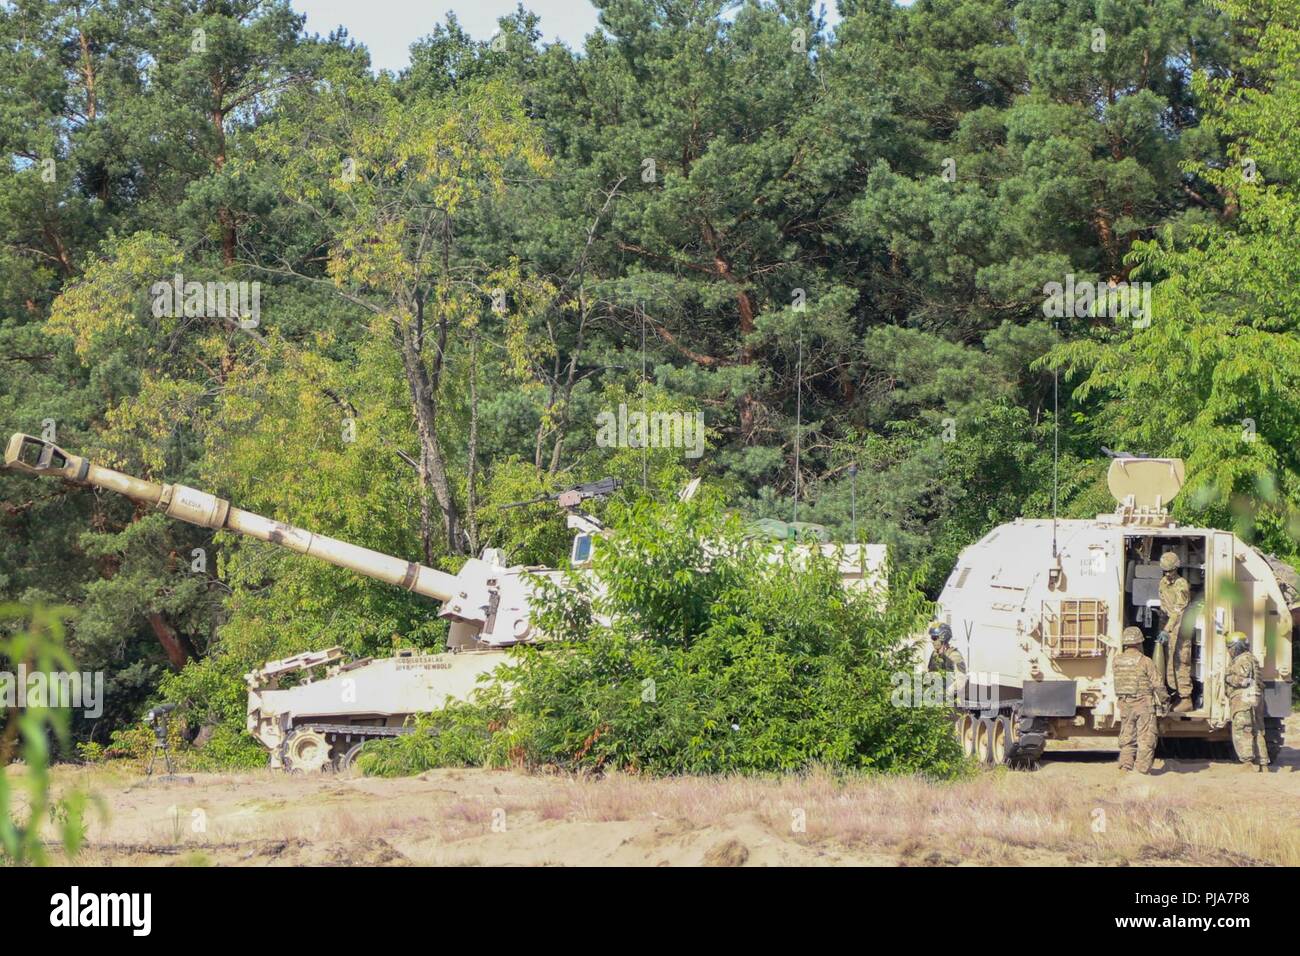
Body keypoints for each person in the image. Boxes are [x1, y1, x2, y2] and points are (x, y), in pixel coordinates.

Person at [1113, 625, 1169, 773]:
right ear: (1139, 643)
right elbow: (1158, 684)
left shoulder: (1116, 661)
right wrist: (1165, 701)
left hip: (1125, 704)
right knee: (1146, 738)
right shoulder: (1146, 661)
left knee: (1127, 736)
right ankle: (1142, 770)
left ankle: (1126, 766)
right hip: (1144, 705)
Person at [1224, 631, 1268, 771]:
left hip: (1244, 700)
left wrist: (1227, 678)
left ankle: (1248, 764)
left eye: (1230, 647)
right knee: (1257, 731)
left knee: (1243, 730)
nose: (1229, 651)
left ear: (1236, 647)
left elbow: (1243, 680)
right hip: (1254, 698)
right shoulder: (1251, 658)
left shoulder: (1243, 660)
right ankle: (1263, 763)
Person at [1157, 551, 1193, 711]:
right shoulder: (1163, 583)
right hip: (1167, 625)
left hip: (1180, 626)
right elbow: (1164, 605)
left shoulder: (1181, 584)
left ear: (1176, 569)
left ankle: (1186, 698)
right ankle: (1172, 693)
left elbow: (1178, 610)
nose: (1167, 574)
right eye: (1165, 571)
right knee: (1168, 660)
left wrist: (1167, 629)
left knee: (1181, 661)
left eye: (1170, 571)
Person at [926, 620, 966, 702]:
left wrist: (947, 692)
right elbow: (930, 674)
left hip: (951, 700)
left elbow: (961, 679)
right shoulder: (934, 655)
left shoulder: (954, 655)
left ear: (943, 638)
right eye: (932, 638)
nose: (932, 641)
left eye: (934, 638)